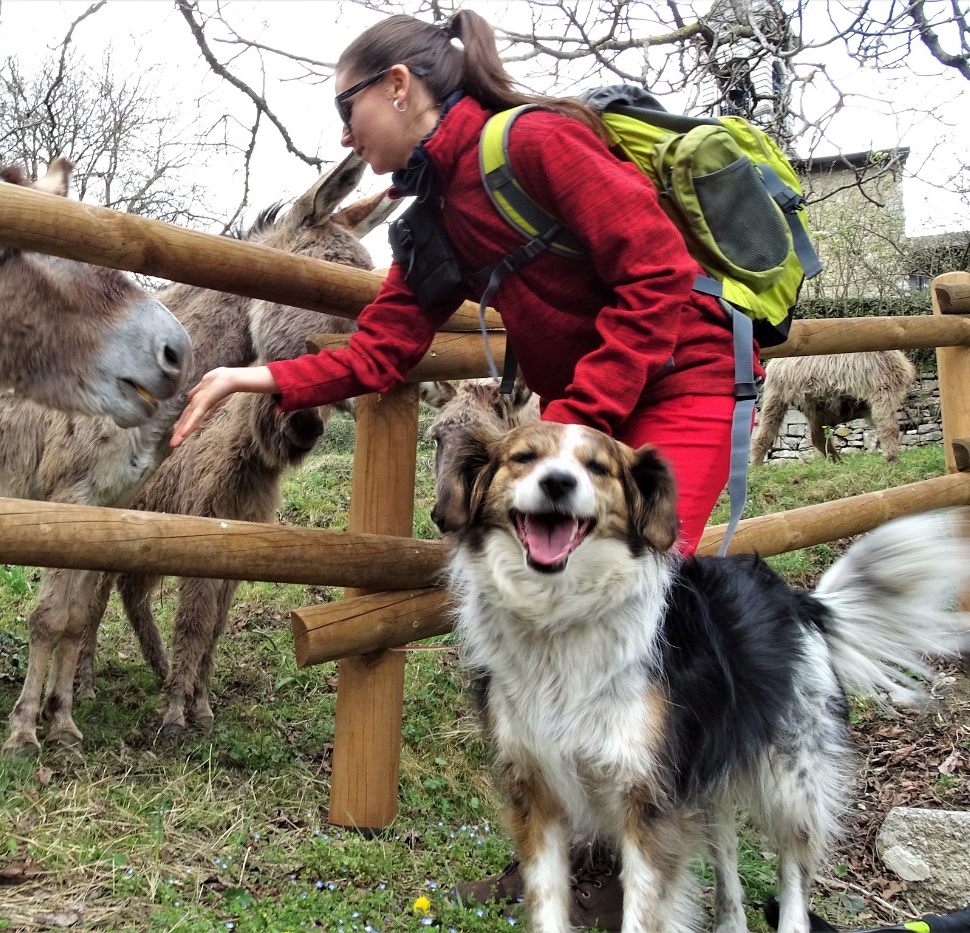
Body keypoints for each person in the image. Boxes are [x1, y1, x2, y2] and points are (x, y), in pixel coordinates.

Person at [170, 9, 760, 928]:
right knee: (539, 607)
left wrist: (579, 423)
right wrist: (260, 375)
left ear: (398, 88)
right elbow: (382, 350)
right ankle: (561, 839)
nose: (341, 133)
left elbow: (655, 271)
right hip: (588, 416)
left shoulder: (536, 142)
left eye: (346, 105)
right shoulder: (437, 213)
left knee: (636, 598)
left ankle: (627, 853)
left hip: (681, 384)